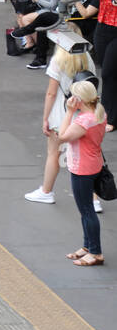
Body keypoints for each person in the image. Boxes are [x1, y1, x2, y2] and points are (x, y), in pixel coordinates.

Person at [25, 38, 98, 207]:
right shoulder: (87, 57)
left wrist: (45, 118)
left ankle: (46, 192)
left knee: (54, 154)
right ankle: (94, 199)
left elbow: (51, 93)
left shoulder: (58, 60)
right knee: (89, 156)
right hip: (85, 114)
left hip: (61, 114)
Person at [59, 80, 107, 266]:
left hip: (82, 168)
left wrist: (69, 112)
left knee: (86, 210)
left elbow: (63, 136)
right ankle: (88, 246)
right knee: (86, 209)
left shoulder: (83, 121)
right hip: (94, 164)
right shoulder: (99, 113)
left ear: (79, 99)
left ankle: (96, 252)